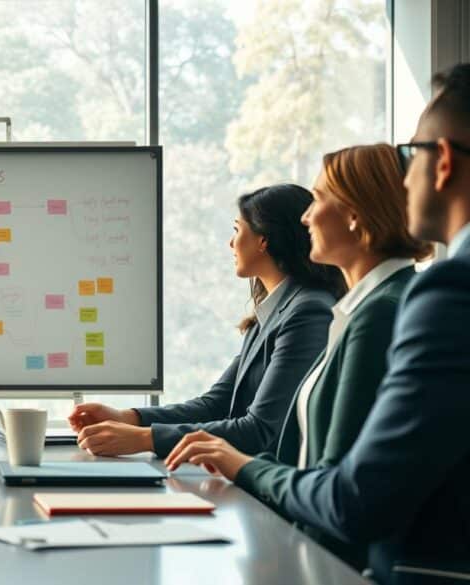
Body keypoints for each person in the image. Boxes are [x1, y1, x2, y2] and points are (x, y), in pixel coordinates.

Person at [167, 66, 470, 583]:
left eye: (408, 155)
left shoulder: (416, 301)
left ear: (440, 162)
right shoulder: (357, 308)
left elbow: (354, 496)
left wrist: (242, 465)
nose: (306, 216)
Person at [70, 184, 345, 457]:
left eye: (237, 230)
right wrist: (126, 417)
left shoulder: (308, 312)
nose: (231, 243)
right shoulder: (271, 313)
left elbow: (259, 430)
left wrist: (145, 439)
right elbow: (216, 405)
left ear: (264, 240)